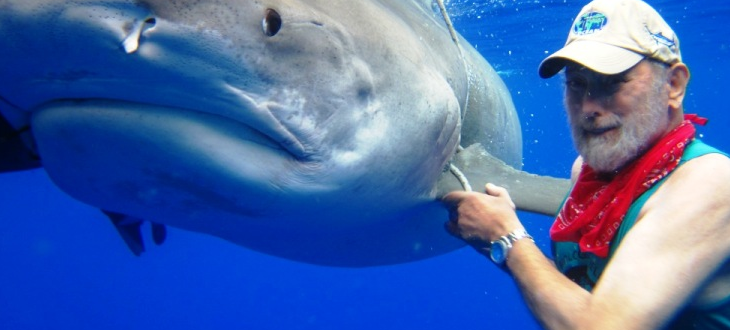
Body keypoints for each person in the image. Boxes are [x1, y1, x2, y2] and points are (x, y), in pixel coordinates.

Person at [441, 0, 730, 329]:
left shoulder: (709, 183)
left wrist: (509, 239)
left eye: (613, 82)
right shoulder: (588, 173)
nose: (589, 106)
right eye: (577, 84)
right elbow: (584, 296)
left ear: (674, 85)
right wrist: (500, 238)